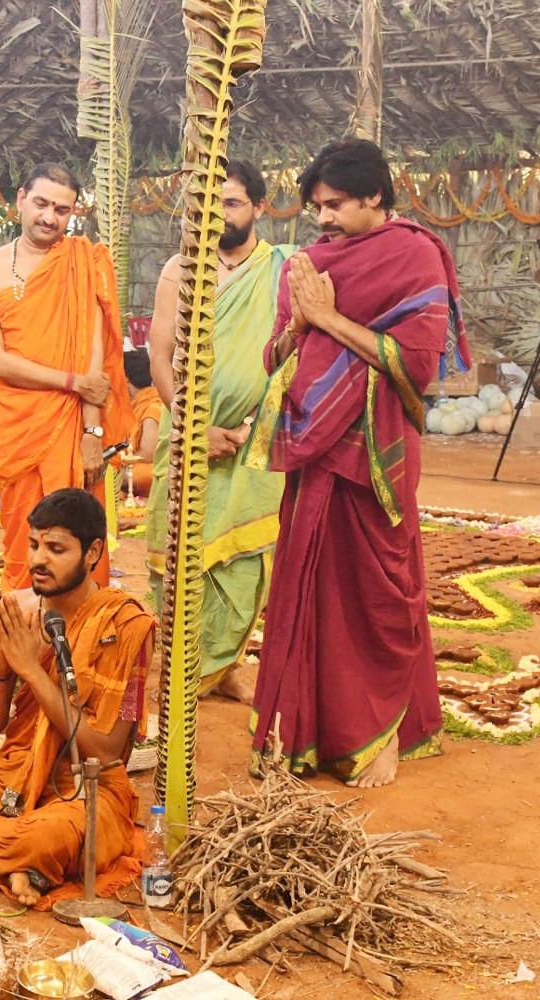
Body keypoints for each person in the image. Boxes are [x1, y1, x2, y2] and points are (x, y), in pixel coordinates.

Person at [244, 138, 470, 787]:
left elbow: (418, 366)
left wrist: (328, 318)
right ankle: (307, 738)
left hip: (375, 460)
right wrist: (298, 326)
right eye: (318, 205)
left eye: (336, 204)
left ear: (375, 196)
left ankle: (381, 738)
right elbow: (279, 357)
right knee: (308, 594)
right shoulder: (311, 262)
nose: (324, 218)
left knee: (378, 597)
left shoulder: (414, 256)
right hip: (316, 457)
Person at [0, 488, 155, 906]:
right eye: (35, 545)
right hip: (12, 775)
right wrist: (3, 664)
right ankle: (2, 856)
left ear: (93, 552)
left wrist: (32, 671)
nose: (39, 559)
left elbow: (106, 753)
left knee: (51, 835)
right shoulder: (20, 611)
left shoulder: (125, 625)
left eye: (56, 548)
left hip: (85, 791)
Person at [146, 160, 290, 703]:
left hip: (257, 441)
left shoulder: (283, 270)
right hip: (186, 438)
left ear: (258, 206)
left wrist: (255, 424)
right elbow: (161, 359)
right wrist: (194, 427)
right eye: (204, 205)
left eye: (229, 203)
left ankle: (223, 664)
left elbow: (295, 356)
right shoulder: (178, 270)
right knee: (179, 553)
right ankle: (182, 669)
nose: (215, 215)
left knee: (242, 563)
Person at [0, 162, 132, 591]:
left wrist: (93, 432)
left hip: (73, 432)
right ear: (21, 199)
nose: (49, 217)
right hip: (17, 425)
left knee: (75, 538)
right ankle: (25, 643)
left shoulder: (83, 262)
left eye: (62, 209)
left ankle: (82, 644)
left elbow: (93, 360)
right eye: (41, 204)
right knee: (24, 542)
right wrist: (71, 382)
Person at [121, 349, 161, 496]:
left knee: (116, 474)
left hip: (151, 470)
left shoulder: (152, 406)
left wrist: (120, 463)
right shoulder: (133, 405)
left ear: (124, 379)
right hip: (134, 467)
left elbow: (149, 454)